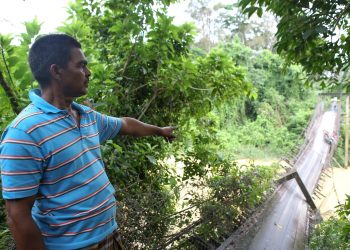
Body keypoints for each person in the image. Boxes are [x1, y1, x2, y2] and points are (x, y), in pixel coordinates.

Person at [0, 34, 175, 250]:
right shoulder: (25, 133)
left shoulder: (86, 116)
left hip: (110, 235)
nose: (88, 73)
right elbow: (17, 216)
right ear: (56, 71)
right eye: (81, 66)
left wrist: (159, 131)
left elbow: (126, 125)